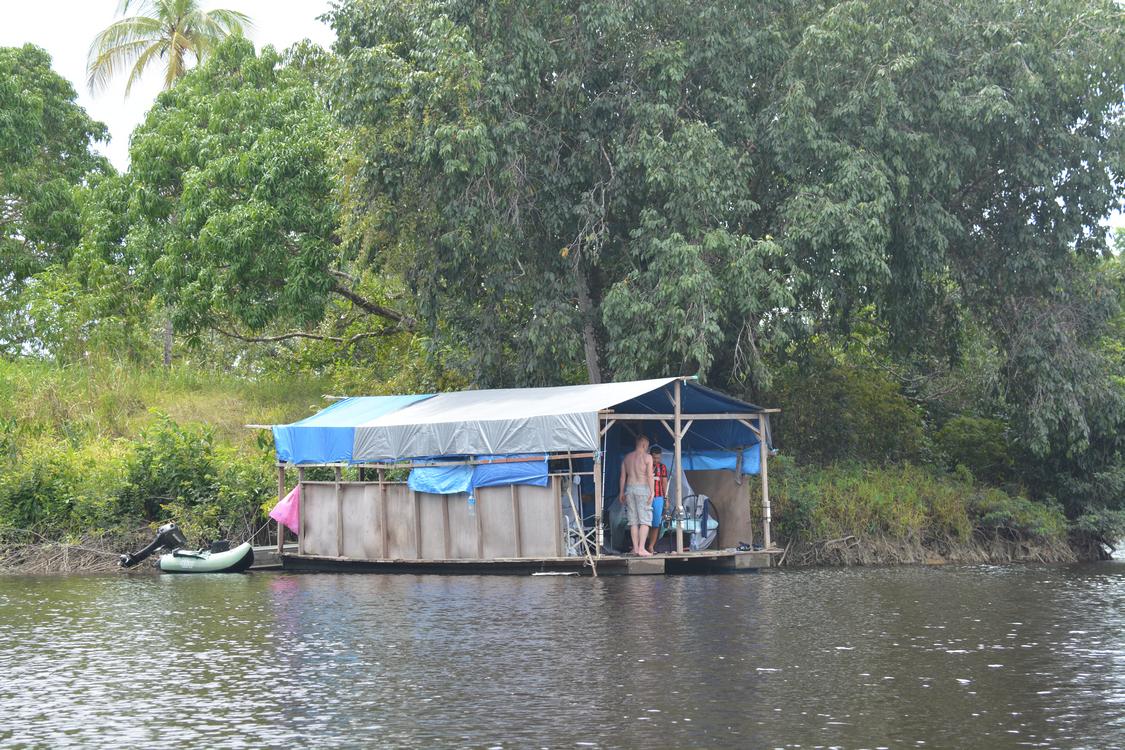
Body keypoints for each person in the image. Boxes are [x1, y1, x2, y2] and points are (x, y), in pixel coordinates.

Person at [618, 433, 654, 556]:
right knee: (645, 520)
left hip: (629, 489)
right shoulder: (647, 457)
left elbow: (622, 477)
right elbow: (650, 476)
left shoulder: (627, 457)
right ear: (644, 444)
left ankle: (635, 548)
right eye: (647, 445)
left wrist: (621, 492)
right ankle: (642, 548)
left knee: (633, 521)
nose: (647, 448)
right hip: (642, 489)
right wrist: (652, 491)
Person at [646, 445, 669, 554]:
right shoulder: (645, 466)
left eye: (658, 458)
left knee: (656, 523)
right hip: (646, 497)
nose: (656, 460)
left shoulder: (662, 467)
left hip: (658, 497)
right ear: (650, 456)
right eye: (654, 458)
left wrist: (666, 499)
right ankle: (643, 545)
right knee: (645, 522)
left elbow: (664, 483)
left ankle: (651, 546)